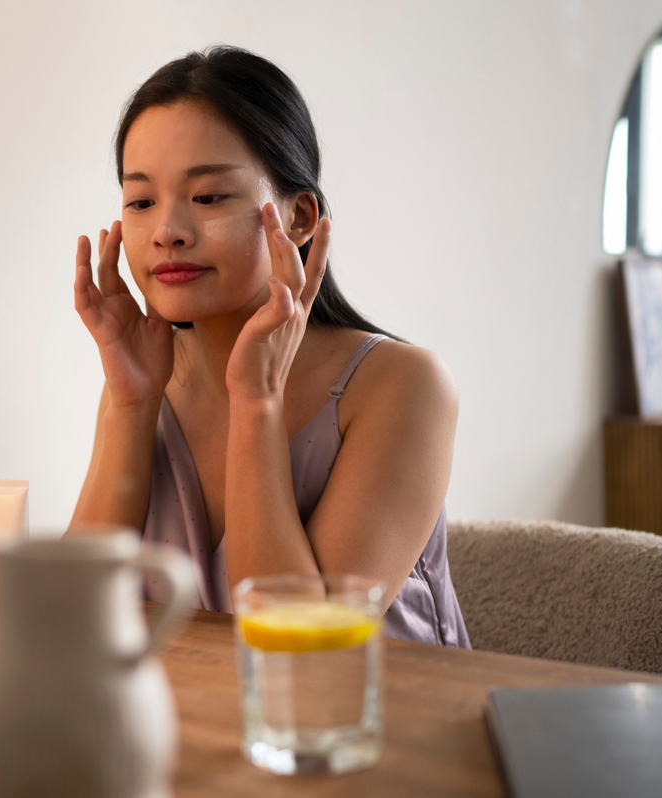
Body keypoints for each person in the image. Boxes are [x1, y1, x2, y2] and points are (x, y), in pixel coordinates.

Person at [68, 46, 468, 647]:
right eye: (141, 201)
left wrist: (257, 400)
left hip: (378, 732)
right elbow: (69, 616)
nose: (168, 231)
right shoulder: (146, 381)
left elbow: (302, 648)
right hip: (202, 728)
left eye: (208, 197)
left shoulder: (405, 386)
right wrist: (129, 404)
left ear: (300, 216)